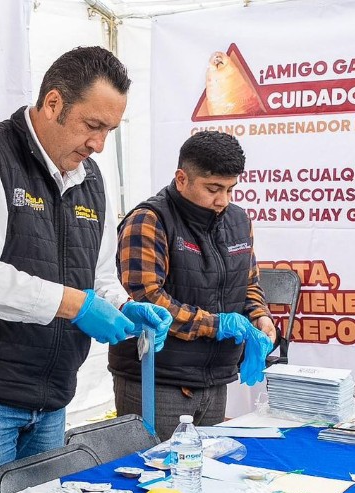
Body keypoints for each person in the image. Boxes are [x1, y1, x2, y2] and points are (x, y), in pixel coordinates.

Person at [0, 46, 172, 493]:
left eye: (110, 130)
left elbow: (98, 276)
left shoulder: (90, 177)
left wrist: (126, 307)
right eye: (93, 126)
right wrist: (76, 306)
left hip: (51, 395)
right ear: (53, 103)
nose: (99, 145)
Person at [108, 131, 276, 436]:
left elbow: (249, 284)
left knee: (205, 475)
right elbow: (146, 299)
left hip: (215, 378)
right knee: (154, 476)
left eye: (230, 189)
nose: (222, 200)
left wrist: (261, 318)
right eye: (213, 189)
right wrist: (216, 325)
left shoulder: (239, 220)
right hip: (157, 379)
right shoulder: (149, 220)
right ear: (182, 178)